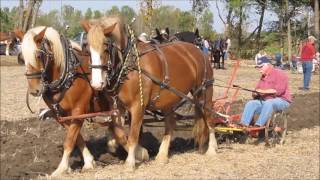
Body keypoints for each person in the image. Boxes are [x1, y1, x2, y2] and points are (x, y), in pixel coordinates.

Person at [238, 63, 292, 127]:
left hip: (281, 100)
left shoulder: (280, 74)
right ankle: (243, 124)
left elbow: (279, 91)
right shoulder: (263, 76)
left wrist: (263, 91)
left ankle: (259, 125)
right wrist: (255, 93)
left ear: (267, 66)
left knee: (268, 103)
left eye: (261, 67)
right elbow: (257, 89)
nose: (259, 70)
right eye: (258, 67)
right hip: (266, 101)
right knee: (251, 103)